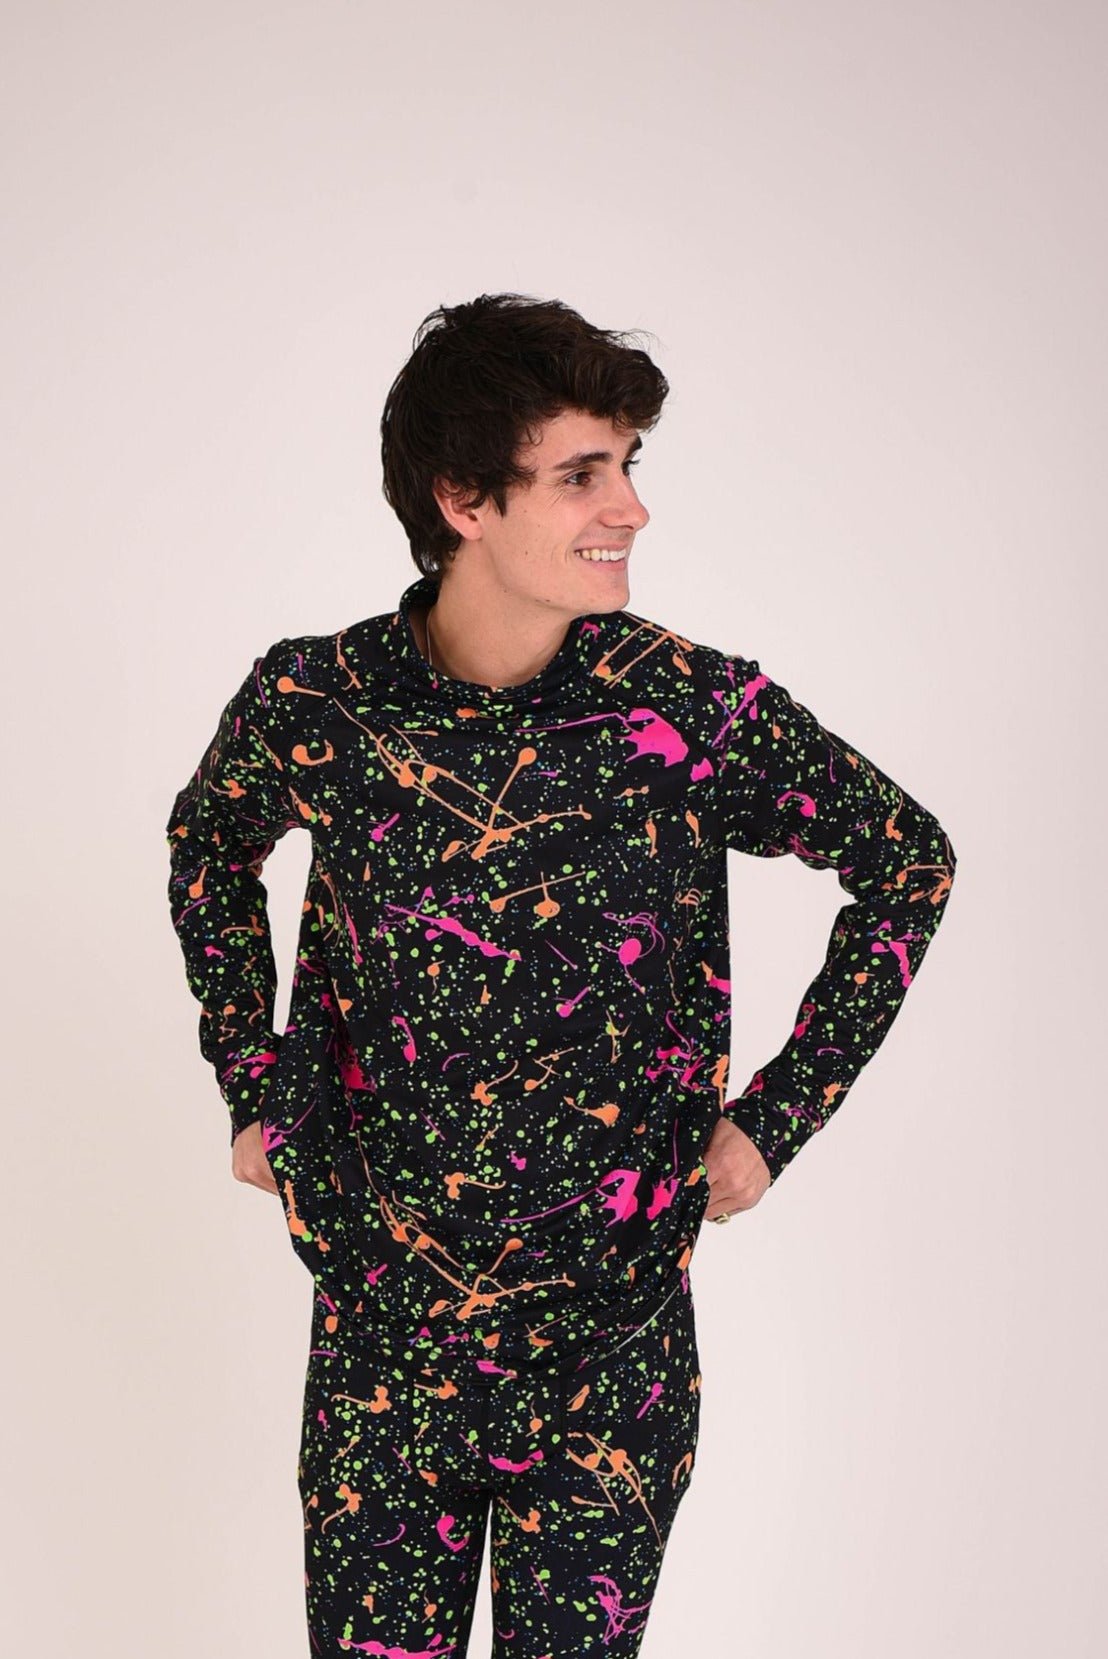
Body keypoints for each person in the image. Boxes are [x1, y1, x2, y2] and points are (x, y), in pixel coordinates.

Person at [164, 292, 957, 1656]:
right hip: (386, 1349)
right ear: (463, 499)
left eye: (628, 466)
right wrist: (256, 1082)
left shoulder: (685, 710)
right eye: (583, 474)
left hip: (611, 1357)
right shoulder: (322, 703)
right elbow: (209, 846)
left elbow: (908, 860)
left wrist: (776, 1119)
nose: (630, 508)